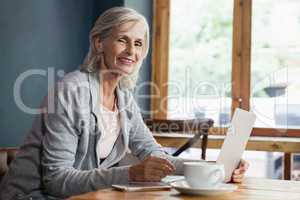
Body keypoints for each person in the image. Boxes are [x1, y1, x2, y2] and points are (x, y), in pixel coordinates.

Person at [0, 7, 249, 200]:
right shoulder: (72, 91)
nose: (132, 50)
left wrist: (216, 167)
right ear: (99, 43)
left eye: (138, 43)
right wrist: (131, 173)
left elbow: (154, 155)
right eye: (122, 40)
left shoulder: (124, 97)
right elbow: (56, 180)